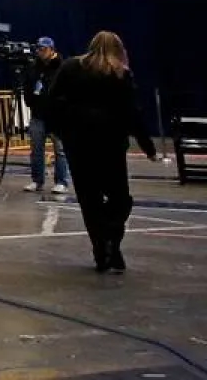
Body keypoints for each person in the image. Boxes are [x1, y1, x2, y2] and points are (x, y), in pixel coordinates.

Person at [46, 30, 160, 273]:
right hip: (111, 145)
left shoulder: (69, 68)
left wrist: (59, 129)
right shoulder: (121, 74)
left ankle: (101, 249)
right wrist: (148, 147)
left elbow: (52, 101)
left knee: (90, 200)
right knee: (120, 198)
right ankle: (113, 240)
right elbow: (133, 113)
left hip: (79, 144)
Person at [22, 37, 69, 194]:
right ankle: (37, 180)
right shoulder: (34, 67)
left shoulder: (62, 67)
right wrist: (31, 101)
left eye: (44, 49)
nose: (40, 52)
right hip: (38, 115)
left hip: (58, 116)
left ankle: (61, 181)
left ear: (51, 49)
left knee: (60, 150)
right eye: (39, 49)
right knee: (36, 150)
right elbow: (28, 85)